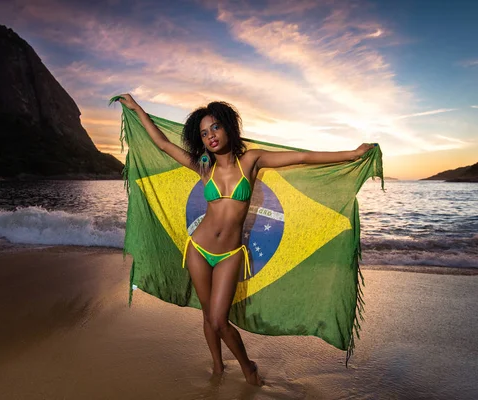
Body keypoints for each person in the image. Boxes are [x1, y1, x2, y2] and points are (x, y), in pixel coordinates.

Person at [117, 94, 373, 386]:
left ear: (228, 128)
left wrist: (351, 154)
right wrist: (137, 109)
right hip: (198, 249)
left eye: (214, 128)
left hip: (230, 254)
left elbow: (302, 157)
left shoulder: (250, 161)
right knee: (208, 316)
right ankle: (217, 367)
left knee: (218, 319)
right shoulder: (203, 168)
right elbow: (162, 144)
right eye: (203, 133)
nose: (210, 136)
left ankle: (248, 367)